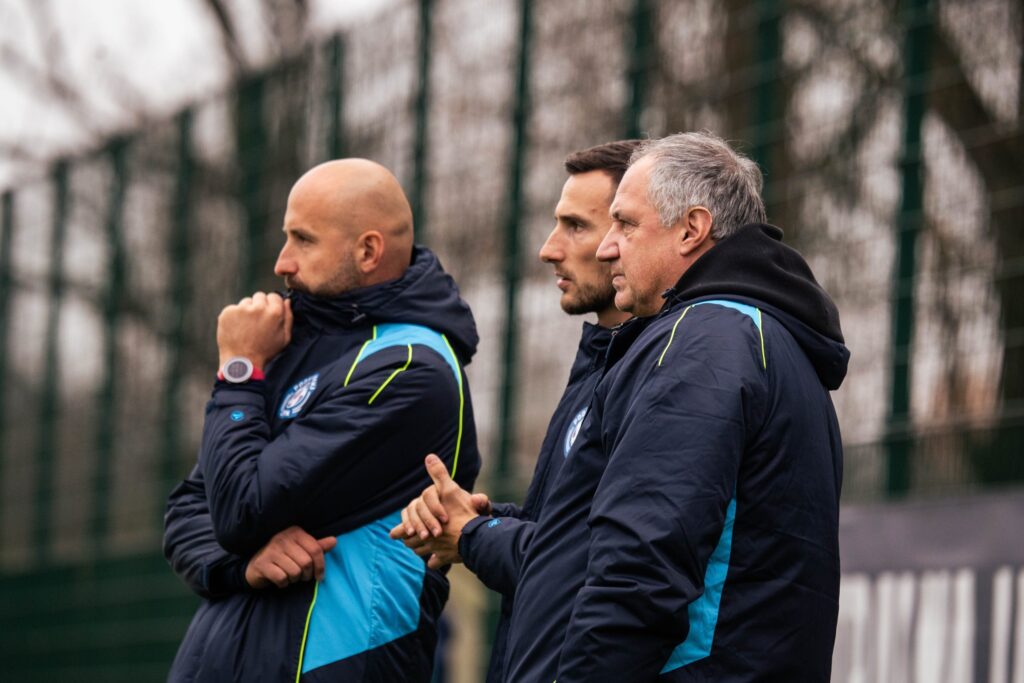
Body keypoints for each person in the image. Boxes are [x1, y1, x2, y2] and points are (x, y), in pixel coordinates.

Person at [501, 132, 849, 681]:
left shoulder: (702, 341)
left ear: (692, 229)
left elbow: (639, 571)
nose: (608, 247)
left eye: (625, 224)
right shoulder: (768, 338)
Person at [162, 159, 481, 682]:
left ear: (368, 251)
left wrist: (238, 369)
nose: (282, 263)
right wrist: (242, 565)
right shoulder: (290, 343)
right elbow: (188, 508)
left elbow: (240, 507)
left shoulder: (408, 367)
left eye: (303, 240)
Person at [389, 140, 639, 682]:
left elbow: (591, 565)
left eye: (576, 226)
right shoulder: (600, 362)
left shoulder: (655, 378)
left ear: (631, 235)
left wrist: (473, 535)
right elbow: (564, 533)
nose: (549, 249)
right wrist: (478, 517)